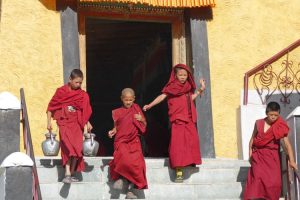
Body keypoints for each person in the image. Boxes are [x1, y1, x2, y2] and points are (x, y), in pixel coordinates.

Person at [143, 63, 205, 182]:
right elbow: (162, 97)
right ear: (175, 75)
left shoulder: (187, 87)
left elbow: (189, 99)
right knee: (178, 146)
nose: (182, 77)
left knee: (192, 141)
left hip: (188, 119)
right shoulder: (171, 87)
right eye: (180, 75)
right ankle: (179, 170)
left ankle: (191, 162)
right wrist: (150, 105)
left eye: (185, 75)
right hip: (178, 120)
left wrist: (200, 90)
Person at [47, 69, 93, 184]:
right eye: (76, 82)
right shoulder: (61, 92)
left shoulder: (82, 95)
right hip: (65, 123)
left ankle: (70, 174)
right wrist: (48, 122)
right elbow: (50, 107)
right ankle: (67, 172)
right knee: (68, 148)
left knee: (77, 150)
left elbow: (85, 110)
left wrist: (87, 122)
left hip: (77, 125)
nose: (78, 85)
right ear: (70, 80)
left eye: (80, 83)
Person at [244, 101, 298, 200]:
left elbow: (287, 144)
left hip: (272, 158)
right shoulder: (258, 123)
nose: (273, 117)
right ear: (266, 113)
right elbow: (252, 139)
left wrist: (292, 160)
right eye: (271, 114)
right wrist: (250, 154)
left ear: (278, 114)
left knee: (274, 183)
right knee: (257, 179)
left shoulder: (280, 125)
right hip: (258, 156)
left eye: (276, 115)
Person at [108, 88, 148, 199]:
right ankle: (122, 178)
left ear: (134, 99)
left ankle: (131, 191)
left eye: (130, 100)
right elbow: (116, 127)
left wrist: (141, 119)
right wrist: (112, 132)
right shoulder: (118, 112)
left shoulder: (136, 109)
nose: (128, 102)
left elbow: (144, 127)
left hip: (134, 141)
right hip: (122, 141)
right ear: (122, 99)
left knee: (138, 164)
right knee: (123, 158)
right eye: (126, 100)